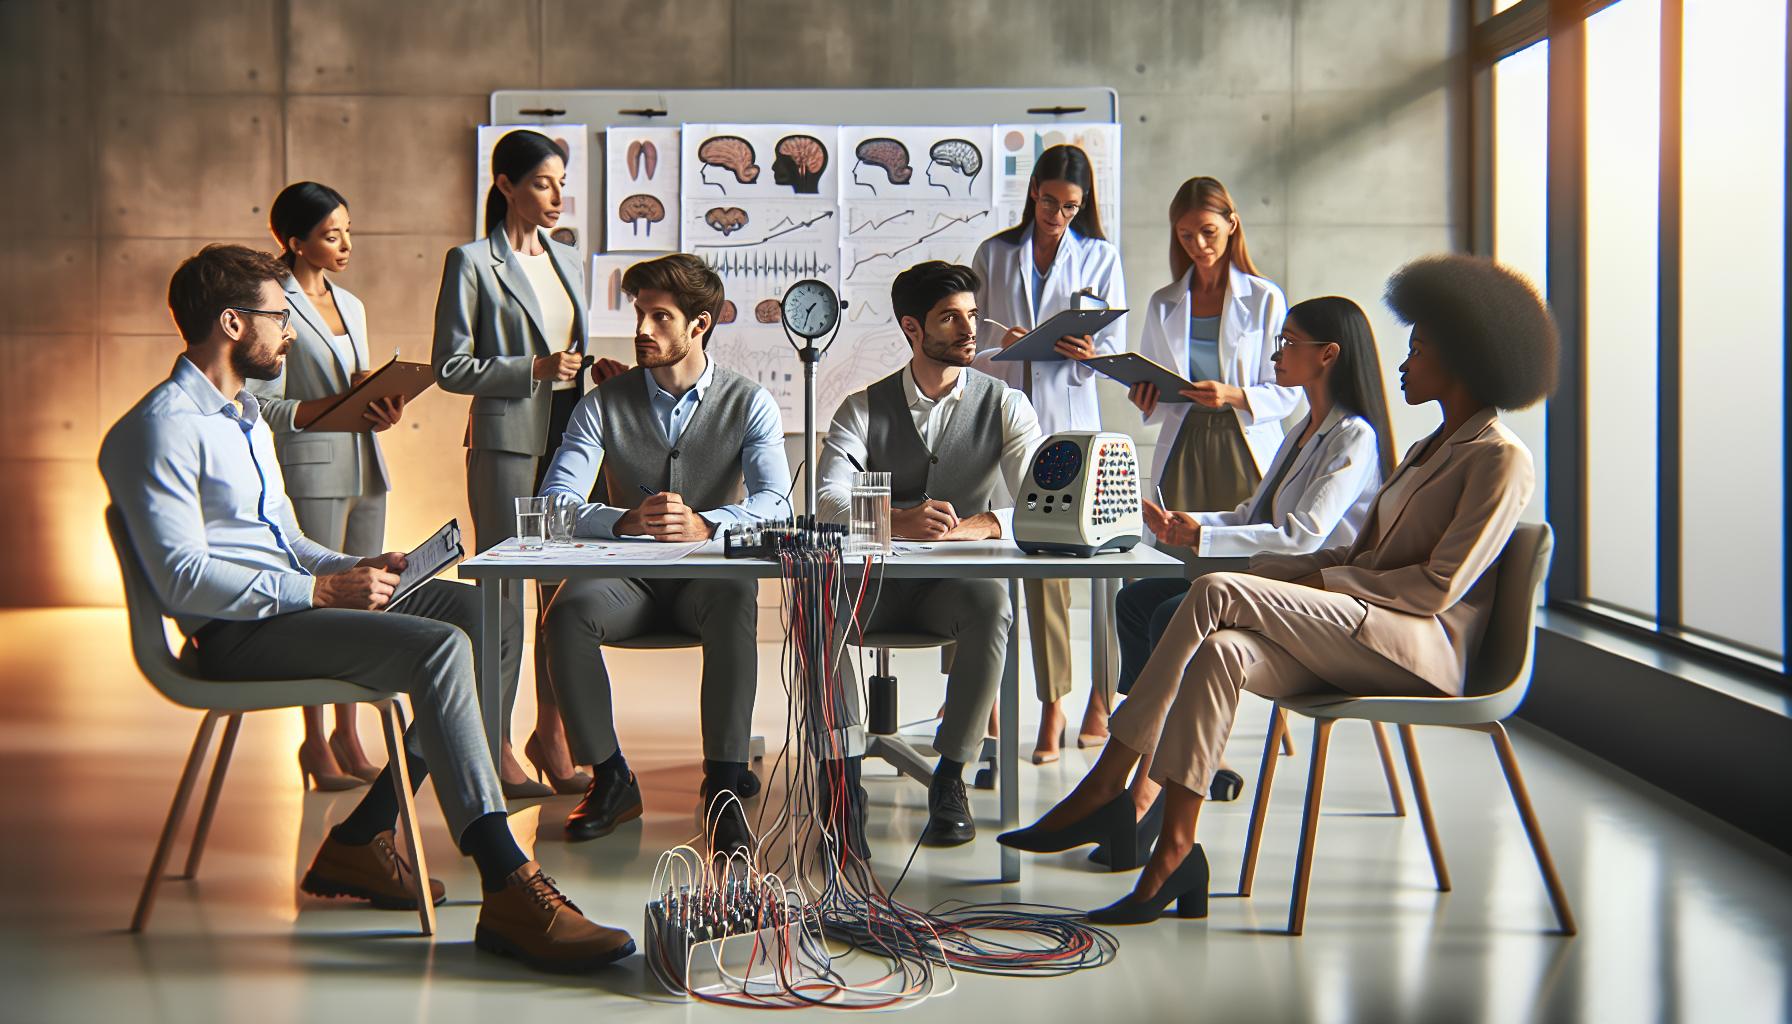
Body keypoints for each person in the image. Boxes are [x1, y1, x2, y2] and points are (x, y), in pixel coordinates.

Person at [99, 244, 634, 971]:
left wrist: (352, 567)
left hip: (293, 607)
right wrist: (319, 592)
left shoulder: (246, 416)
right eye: (276, 317)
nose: (288, 331)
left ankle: (365, 835)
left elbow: (284, 539)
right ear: (230, 323)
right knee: (439, 649)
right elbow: (180, 578)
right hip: (237, 634)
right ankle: (506, 879)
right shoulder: (156, 429)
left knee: (483, 617)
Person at [998, 254, 1558, 924]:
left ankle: (1110, 781)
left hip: (1415, 648)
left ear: (1465, 357)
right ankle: (1175, 852)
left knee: (1213, 596)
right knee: (1222, 651)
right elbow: (1360, 551)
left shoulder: (1500, 459)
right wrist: (1286, 574)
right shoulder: (1426, 449)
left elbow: (1434, 589)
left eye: (1419, 348)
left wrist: (1309, 578)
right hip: (1362, 620)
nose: (1403, 364)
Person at [1092, 295, 1396, 863]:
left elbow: (1303, 535)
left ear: (1327, 355)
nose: (1275, 354)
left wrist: (1201, 541)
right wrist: (1188, 523)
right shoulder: (1304, 429)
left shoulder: (1353, 436)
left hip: (1307, 593)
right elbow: (1251, 515)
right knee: (1137, 603)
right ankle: (1151, 753)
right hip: (1265, 577)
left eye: (1288, 343)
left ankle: (1148, 786)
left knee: (1167, 614)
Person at [537, 253, 791, 855]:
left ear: (699, 325)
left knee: (735, 600)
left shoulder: (749, 402)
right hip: (629, 579)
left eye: (660, 317)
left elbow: (776, 503)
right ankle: (611, 778)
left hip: (707, 581)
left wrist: (707, 524)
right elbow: (555, 502)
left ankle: (724, 786)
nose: (642, 330)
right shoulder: (601, 404)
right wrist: (620, 519)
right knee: (566, 614)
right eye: (639, 315)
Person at [816, 260, 1043, 851]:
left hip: (950, 590)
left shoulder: (1007, 406)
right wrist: (895, 519)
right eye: (950, 318)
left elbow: (1045, 506)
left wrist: (983, 523)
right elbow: (825, 500)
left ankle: (951, 775)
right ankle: (843, 775)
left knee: (992, 604)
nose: (969, 330)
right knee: (816, 605)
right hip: (871, 589)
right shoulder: (862, 407)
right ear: (912, 329)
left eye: (971, 315)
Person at [433, 128, 603, 799]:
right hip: (505, 443)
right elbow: (451, 367)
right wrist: (530, 368)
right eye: (542, 182)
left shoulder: (568, 259)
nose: (558, 195)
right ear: (504, 185)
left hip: (567, 439)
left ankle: (552, 737)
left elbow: (570, 356)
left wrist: (594, 373)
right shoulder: (472, 261)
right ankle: (496, 742)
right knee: (503, 599)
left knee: (557, 597)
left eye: (562, 182)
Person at [970, 144, 1127, 764]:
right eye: (1049, 201)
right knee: (983, 562)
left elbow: (1111, 345)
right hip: (1000, 420)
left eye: (1072, 207)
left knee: (1052, 576)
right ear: (1032, 190)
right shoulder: (994, 253)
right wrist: (1004, 342)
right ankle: (981, 699)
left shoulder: (1100, 256)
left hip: (1067, 426)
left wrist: (1089, 352)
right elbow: (971, 334)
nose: (1058, 215)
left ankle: (1054, 703)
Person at [248, 182, 402, 791]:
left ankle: (349, 734)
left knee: (365, 601)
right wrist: (336, 404)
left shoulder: (353, 304)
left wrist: (378, 405)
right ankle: (313, 743)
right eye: (330, 234)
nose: (345, 244)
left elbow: (353, 389)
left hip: (366, 463)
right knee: (321, 600)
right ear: (294, 242)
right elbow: (261, 403)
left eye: (347, 230)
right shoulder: (270, 303)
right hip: (309, 465)